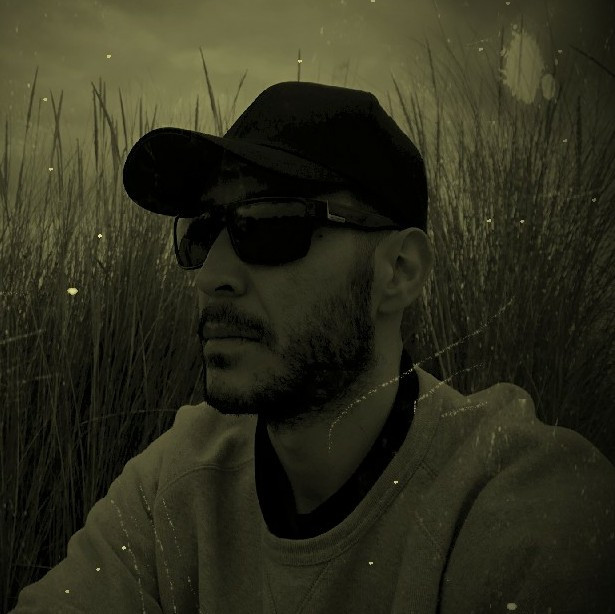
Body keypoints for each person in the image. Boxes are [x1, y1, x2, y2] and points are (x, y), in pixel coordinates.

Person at [11, 81, 615, 613]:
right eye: (204, 232)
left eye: (269, 225)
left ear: (399, 270)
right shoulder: (178, 482)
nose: (210, 276)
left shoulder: (518, 502)